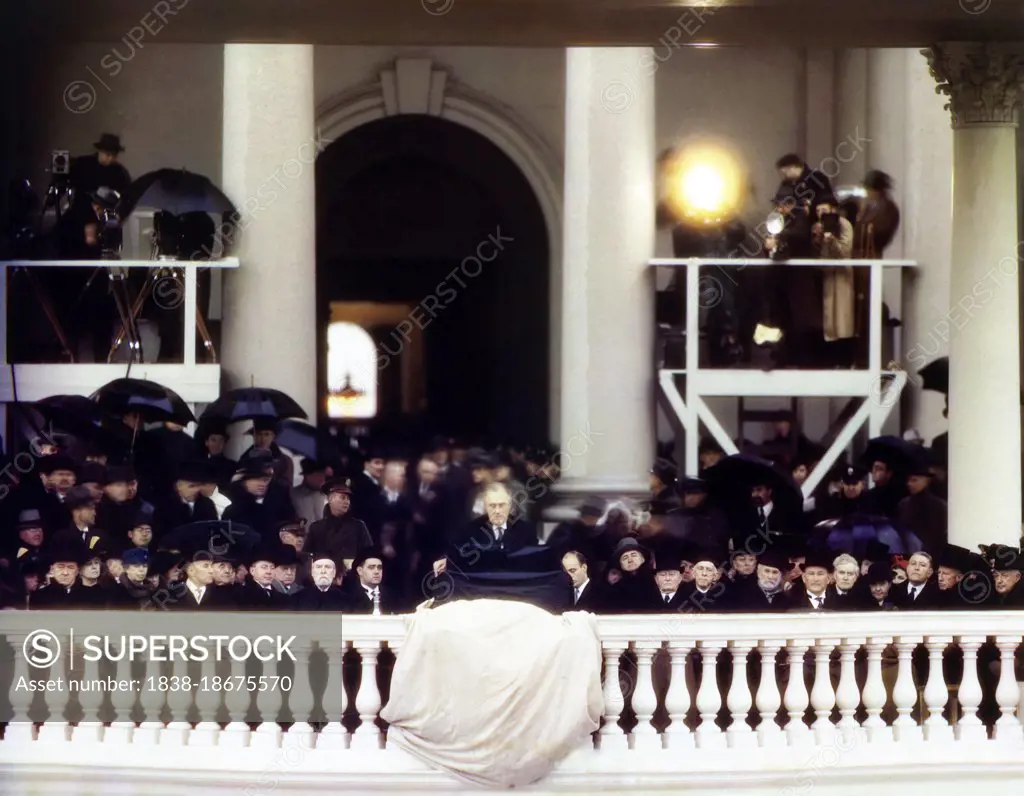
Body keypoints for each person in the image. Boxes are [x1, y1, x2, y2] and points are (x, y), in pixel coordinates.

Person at [305, 477, 374, 572]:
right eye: (342, 497)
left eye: (348, 498)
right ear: (330, 499)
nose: (347, 501)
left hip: (351, 578)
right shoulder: (316, 528)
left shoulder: (358, 526)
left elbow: (369, 555)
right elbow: (307, 556)